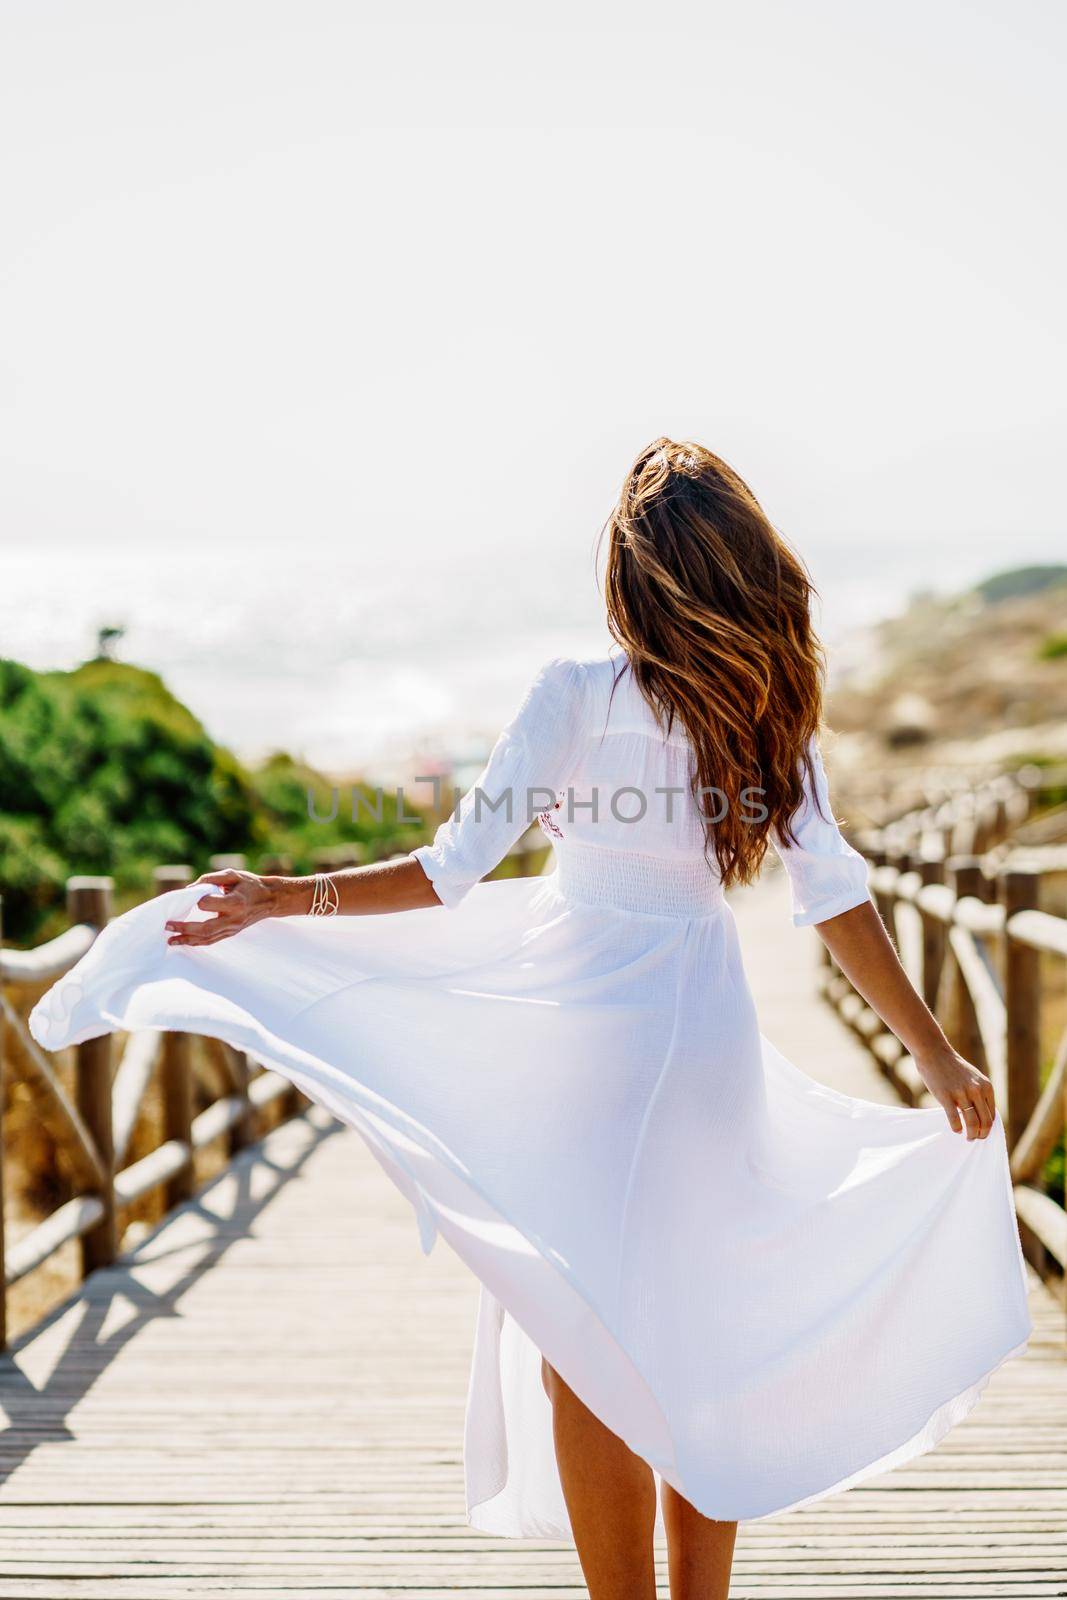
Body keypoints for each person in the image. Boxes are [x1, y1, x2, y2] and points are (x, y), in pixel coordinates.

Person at [31, 439, 1031, 1600]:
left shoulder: (575, 693)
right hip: (701, 1041)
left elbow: (447, 869)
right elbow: (837, 897)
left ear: (632, 571)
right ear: (737, 565)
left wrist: (282, 897)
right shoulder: (766, 708)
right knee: (693, 1332)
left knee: (587, 1339)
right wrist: (932, 1051)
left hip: (585, 1043)